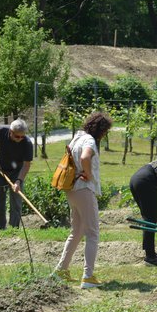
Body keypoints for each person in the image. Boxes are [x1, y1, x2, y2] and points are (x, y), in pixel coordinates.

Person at [54, 112, 113, 289]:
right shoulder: (89, 141)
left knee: (77, 231)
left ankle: (61, 270)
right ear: (101, 129)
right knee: (93, 233)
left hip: (71, 189)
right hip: (84, 189)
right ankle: (88, 276)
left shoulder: (77, 138)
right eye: (105, 131)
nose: (105, 135)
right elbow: (85, 157)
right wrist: (87, 173)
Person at [0, 119, 33, 231]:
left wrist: (18, 181)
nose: (20, 139)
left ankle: (14, 229)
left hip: (17, 172)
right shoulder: (0, 131)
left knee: (16, 200)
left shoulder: (27, 143)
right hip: (0, 169)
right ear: (10, 132)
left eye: (22, 136)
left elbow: (26, 165)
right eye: (17, 136)